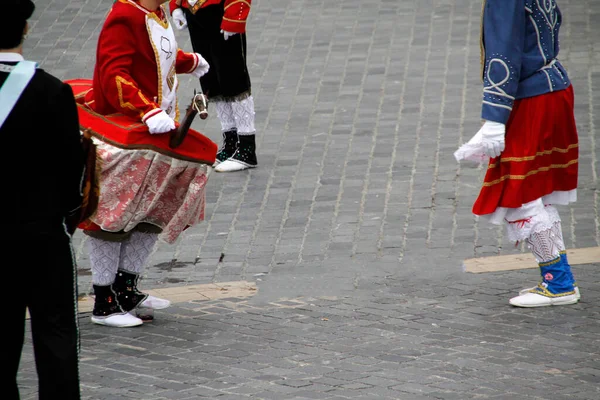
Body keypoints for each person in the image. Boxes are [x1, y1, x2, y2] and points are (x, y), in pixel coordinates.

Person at [77, 0, 216, 328]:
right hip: (126, 135)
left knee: (151, 211)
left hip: (156, 133)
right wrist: (146, 109)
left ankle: (126, 289)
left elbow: (157, 55)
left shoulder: (156, 11)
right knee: (113, 217)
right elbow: (113, 75)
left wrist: (187, 61)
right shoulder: (124, 16)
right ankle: (104, 301)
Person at [455, 0, 580, 307]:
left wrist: (495, 116)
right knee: (536, 191)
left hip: (531, 97)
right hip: (553, 87)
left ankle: (559, 283)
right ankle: (559, 279)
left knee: (521, 191)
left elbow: (503, 54)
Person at [2, 0, 84, 398]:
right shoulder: (53, 91)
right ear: (26, 30)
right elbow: (73, 172)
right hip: (43, 236)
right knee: (56, 338)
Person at [169, 0, 257, 172]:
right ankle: (231, 143)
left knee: (233, 78)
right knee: (211, 80)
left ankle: (247, 148)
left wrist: (234, 17)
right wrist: (176, 5)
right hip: (194, 10)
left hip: (221, 10)